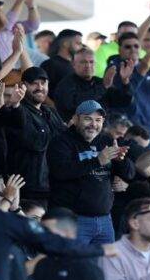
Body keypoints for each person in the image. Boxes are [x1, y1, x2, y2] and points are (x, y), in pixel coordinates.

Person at [47, 100, 135, 246]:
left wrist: (121, 161)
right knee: (72, 260)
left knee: (106, 261)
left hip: (105, 220)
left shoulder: (107, 141)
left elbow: (129, 174)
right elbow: (61, 171)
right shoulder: (61, 141)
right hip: (73, 220)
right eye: (88, 119)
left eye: (98, 120)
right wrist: (98, 160)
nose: (93, 124)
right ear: (76, 119)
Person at [4, 67, 66, 202]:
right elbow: (35, 142)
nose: (40, 87)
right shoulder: (15, 111)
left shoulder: (50, 111)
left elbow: (65, 141)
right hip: (27, 189)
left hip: (54, 186)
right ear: (23, 85)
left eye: (43, 83)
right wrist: (15, 105)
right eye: (34, 83)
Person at [108, 32, 150, 144]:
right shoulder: (115, 69)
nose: (133, 49)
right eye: (128, 46)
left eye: (136, 46)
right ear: (119, 50)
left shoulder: (148, 68)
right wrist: (140, 72)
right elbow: (125, 96)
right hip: (129, 132)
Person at [52, 47, 134, 122]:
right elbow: (76, 106)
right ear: (73, 64)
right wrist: (103, 87)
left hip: (101, 129)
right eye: (83, 62)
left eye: (91, 62)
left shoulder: (99, 82)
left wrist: (125, 81)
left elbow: (124, 102)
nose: (88, 66)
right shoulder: (66, 84)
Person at [40, 29, 82, 97]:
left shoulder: (76, 65)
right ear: (65, 44)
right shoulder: (50, 64)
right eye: (78, 43)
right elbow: (41, 90)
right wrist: (53, 104)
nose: (81, 47)